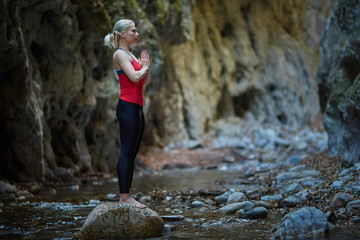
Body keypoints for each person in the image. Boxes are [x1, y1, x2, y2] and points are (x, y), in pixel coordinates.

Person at [104, 19, 150, 208]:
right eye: (133, 30)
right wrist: (144, 67)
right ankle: (124, 197)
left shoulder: (131, 55)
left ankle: (128, 195)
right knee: (126, 152)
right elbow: (134, 77)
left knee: (132, 153)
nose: (137, 33)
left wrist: (146, 65)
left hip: (137, 107)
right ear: (123, 34)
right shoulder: (120, 54)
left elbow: (144, 82)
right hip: (127, 107)